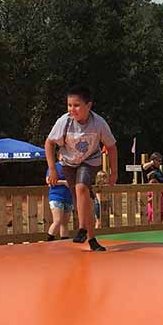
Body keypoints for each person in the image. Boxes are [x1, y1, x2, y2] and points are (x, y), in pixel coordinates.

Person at [44, 86, 119, 251]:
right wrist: (53, 169)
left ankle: (83, 229)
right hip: (69, 163)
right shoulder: (64, 121)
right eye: (69, 105)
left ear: (89, 105)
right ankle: (92, 240)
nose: (72, 109)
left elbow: (111, 147)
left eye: (76, 105)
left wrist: (114, 172)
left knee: (81, 187)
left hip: (90, 161)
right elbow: (49, 143)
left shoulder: (98, 123)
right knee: (82, 200)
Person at [46, 162, 73, 240]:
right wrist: (64, 182)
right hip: (56, 196)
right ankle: (49, 240)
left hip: (68, 197)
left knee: (65, 223)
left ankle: (64, 241)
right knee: (57, 220)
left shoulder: (71, 167)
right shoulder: (54, 167)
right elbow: (48, 180)